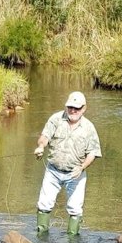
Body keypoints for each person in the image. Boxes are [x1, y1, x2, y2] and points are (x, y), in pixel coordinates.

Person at [34, 91, 102, 235]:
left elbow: (93, 153)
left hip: (76, 173)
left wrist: (82, 167)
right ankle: (41, 237)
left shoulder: (89, 128)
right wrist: (41, 147)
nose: (73, 110)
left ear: (84, 108)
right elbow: (44, 136)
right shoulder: (56, 119)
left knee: (75, 208)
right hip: (53, 170)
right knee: (44, 204)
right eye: (70, 107)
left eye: (77, 108)